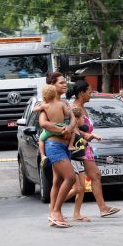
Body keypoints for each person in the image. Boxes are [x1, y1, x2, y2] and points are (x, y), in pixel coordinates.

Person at [67, 80, 121, 219]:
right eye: (89, 92)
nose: (91, 95)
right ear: (81, 93)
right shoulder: (74, 109)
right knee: (87, 180)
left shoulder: (83, 107)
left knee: (91, 178)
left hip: (86, 146)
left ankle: (80, 212)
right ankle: (56, 204)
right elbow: (74, 130)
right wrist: (88, 137)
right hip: (79, 147)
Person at [39, 71, 76, 228]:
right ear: (52, 86)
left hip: (64, 145)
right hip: (54, 146)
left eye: (65, 82)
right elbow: (43, 124)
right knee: (71, 178)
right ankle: (55, 211)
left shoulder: (66, 103)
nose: (65, 84)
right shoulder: (44, 105)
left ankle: (53, 215)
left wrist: (69, 127)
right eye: (61, 82)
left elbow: (74, 119)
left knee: (58, 181)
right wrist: (61, 130)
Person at [64, 106, 101, 223]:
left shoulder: (78, 130)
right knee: (77, 188)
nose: (83, 121)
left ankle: (77, 213)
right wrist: (85, 142)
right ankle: (55, 205)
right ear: (76, 118)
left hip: (80, 160)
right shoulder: (70, 131)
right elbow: (70, 147)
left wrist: (93, 136)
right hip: (73, 161)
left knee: (83, 188)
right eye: (82, 119)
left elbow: (85, 138)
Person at [35, 85, 82, 164]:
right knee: (73, 131)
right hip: (62, 126)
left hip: (51, 129)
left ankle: (43, 156)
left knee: (41, 139)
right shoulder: (61, 104)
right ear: (54, 94)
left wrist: (40, 105)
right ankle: (71, 145)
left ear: (44, 96)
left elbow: (34, 109)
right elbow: (67, 114)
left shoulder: (45, 106)